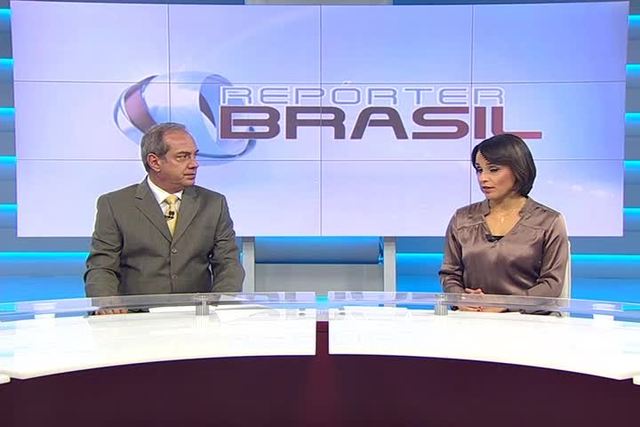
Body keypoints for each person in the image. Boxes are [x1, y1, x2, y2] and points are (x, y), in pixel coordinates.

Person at [84, 122, 245, 313]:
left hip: (197, 317)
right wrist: (108, 303)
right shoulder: (115, 204)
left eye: (194, 155)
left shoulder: (214, 203)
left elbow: (228, 264)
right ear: (154, 162)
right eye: (182, 157)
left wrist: (220, 307)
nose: (194, 164)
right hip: (134, 318)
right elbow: (102, 266)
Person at [439, 133, 568, 312]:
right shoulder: (462, 219)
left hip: (527, 321)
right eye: (479, 170)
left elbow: (551, 284)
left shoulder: (549, 221)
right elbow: (449, 274)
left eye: (493, 170)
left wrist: (505, 305)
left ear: (518, 170)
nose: (483, 178)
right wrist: (460, 298)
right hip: (471, 319)